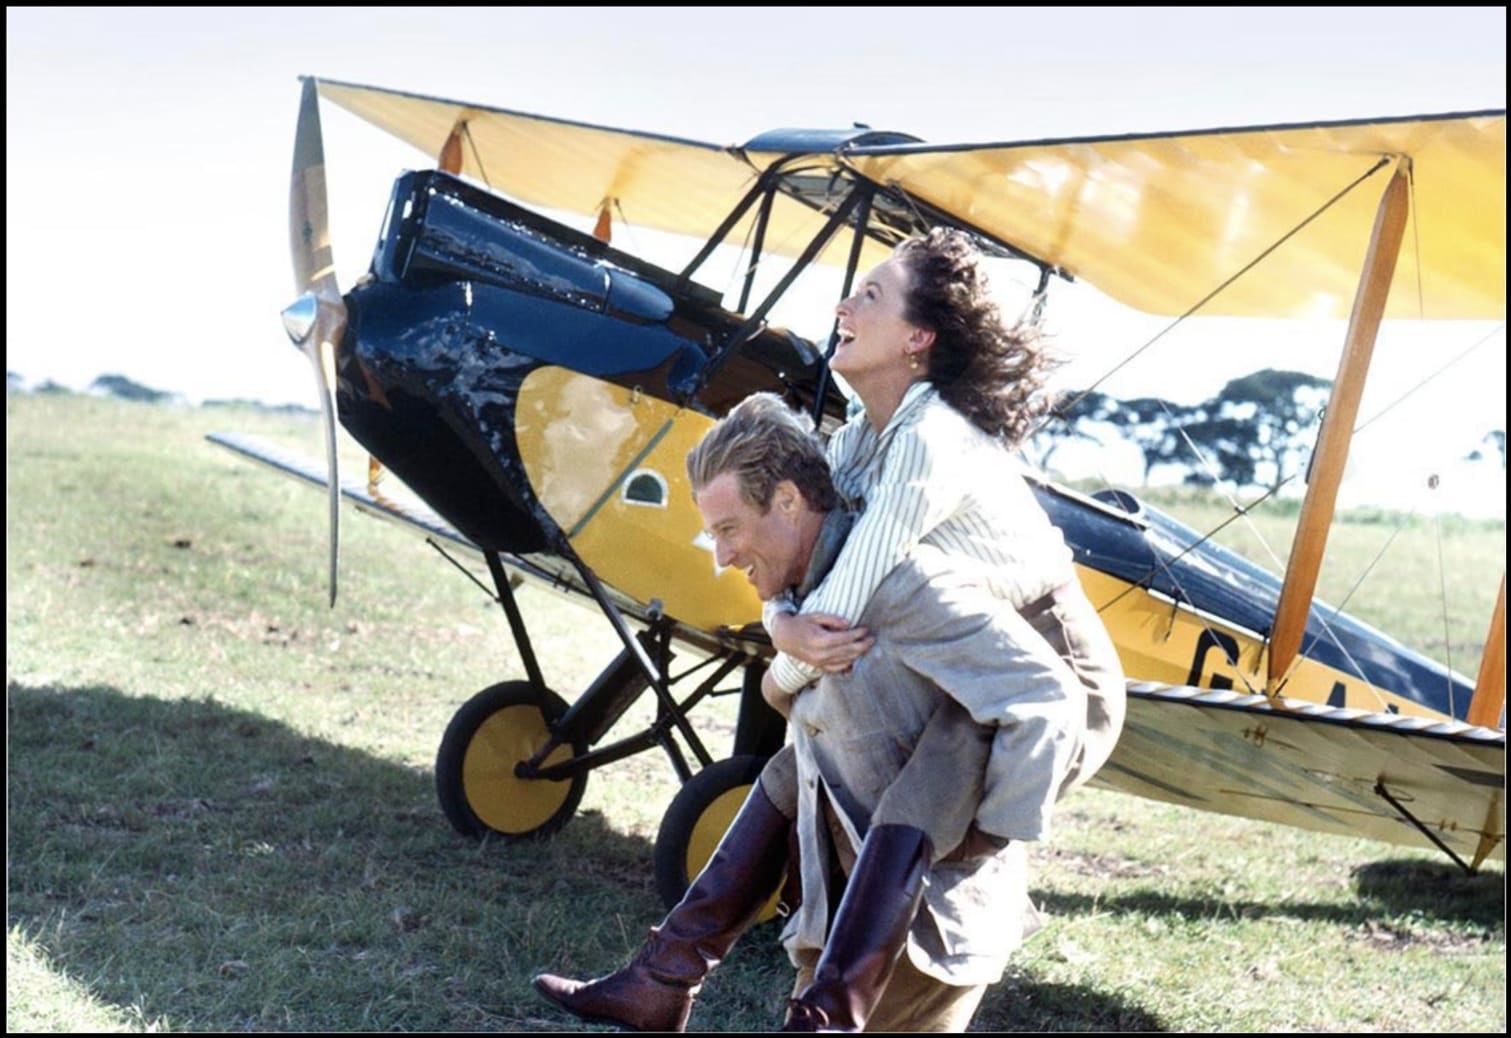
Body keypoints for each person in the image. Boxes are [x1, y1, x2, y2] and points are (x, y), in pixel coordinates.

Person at [533, 230, 1126, 1031]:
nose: (844, 305)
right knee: (800, 756)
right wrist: (780, 622)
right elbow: (804, 549)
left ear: (919, 338)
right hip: (954, 640)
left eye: (871, 296)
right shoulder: (857, 438)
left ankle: (824, 1017)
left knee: (920, 784)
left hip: (1048, 657)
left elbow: (853, 589)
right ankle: (665, 975)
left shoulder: (929, 439)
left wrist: (782, 670)